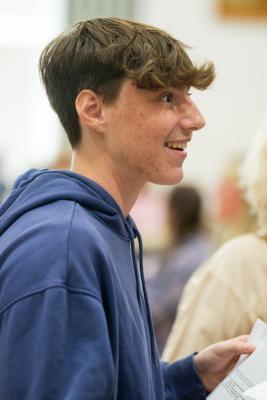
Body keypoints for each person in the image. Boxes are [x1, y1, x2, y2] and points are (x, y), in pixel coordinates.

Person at [0, 17, 254, 399]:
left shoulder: (103, 229)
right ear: (93, 109)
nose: (196, 119)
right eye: (167, 98)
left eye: (188, 96)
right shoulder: (64, 247)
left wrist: (188, 379)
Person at [163, 109, 267, 362]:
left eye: (226, 188)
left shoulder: (239, 263)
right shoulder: (239, 264)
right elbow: (176, 379)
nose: (219, 194)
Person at [146, 184, 214, 353]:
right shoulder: (203, 245)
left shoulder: (185, 261)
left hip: (167, 348)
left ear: (174, 213)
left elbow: (153, 310)